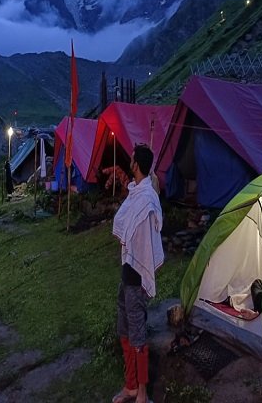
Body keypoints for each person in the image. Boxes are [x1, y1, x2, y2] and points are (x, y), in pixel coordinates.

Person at [112, 144, 164, 403]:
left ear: (135, 165)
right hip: (127, 273)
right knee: (124, 330)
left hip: (137, 277)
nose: (129, 162)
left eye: (131, 160)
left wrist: (140, 260)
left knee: (137, 333)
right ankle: (131, 386)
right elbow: (125, 228)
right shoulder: (137, 194)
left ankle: (142, 394)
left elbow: (145, 239)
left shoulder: (146, 200)